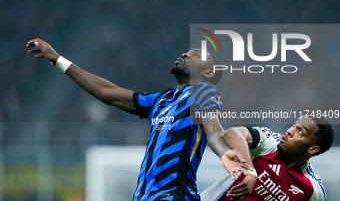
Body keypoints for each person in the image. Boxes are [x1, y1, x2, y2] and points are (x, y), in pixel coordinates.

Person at [26, 38, 252, 201]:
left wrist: (223, 153)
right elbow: (109, 93)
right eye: (187, 52)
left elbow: (213, 130)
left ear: (209, 73)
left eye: (195, 55)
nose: (185, 54)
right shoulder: (162, 100)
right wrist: (59, 60)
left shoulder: (204, 91)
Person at [201, 115, 335, 201]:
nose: (290, 131)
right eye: (294, 125)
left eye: (300, 131)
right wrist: (250, 173)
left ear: (313, 149)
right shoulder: (270, 143)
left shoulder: (313, 191)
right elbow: (233, 133)